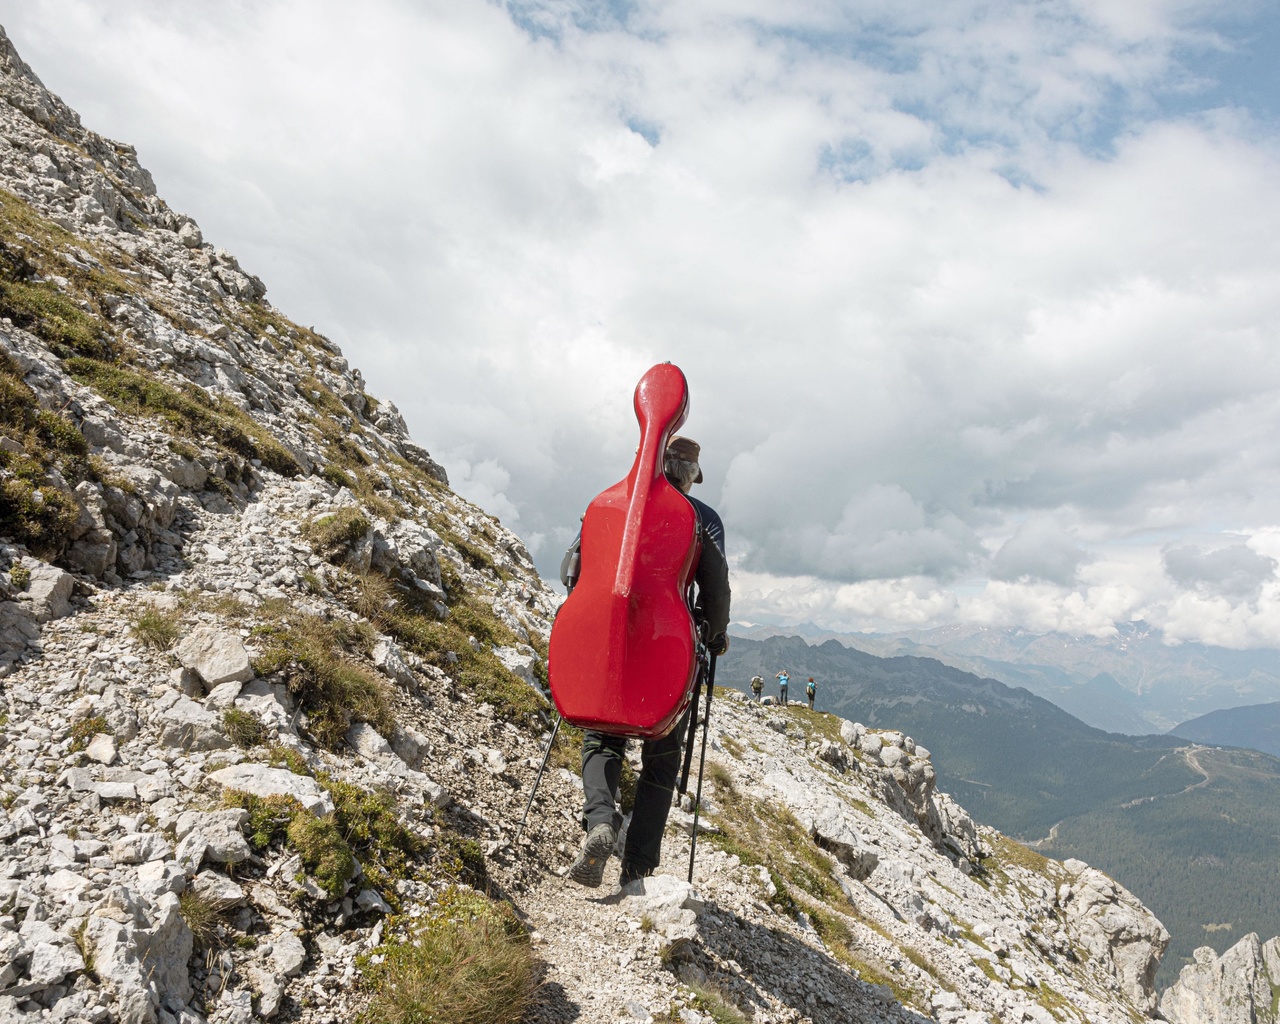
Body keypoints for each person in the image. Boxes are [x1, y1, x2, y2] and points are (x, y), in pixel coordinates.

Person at [564, 435, 731, 888]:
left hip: (614, 639)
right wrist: (715, 635)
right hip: (668, 649)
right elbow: (715, 586)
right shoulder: (703, 519)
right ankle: (637, 867)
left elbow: (572, 569)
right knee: (662, 755)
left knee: (602, 735)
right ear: (692, 476)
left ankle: (600, 822)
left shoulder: (615, 502)